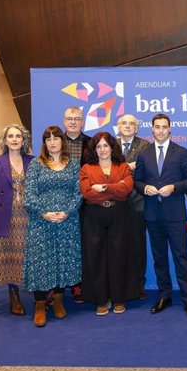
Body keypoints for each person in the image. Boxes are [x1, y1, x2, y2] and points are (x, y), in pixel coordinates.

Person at [134, 113, 187, 319]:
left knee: (181, 257)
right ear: (152, 129)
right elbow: (136, 181)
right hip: (153, 215)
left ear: (170, 129)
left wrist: (174, 187)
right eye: (157, 127)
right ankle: (164, 295)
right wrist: (145, 189)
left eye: (164, 127)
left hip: (175, 215)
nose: (161, 130)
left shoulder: (181, 152)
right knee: (159, 258)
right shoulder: (144, 154)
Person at [23, 126, 82, 327]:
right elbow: (29, 194)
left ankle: (58, 300)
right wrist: (44, 213)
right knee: (41, 261)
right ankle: (40, 305)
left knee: (61, 260)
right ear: (44, 144)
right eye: (48, 139)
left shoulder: (73, 164)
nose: (52, 142)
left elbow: (78, 192)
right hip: (41, 221)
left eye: (55, 138)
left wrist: (67, 212)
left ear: (62, 142)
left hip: (67, 221)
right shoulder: (36, 165)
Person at [80, 132, 140, 315]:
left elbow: (126, 189)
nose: (103, 150)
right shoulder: (86, 168)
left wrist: (102, 187)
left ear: (112, 148)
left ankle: (119, 298)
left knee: (119, 256)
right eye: (99, 146)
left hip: (119, 215)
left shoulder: (122, 166)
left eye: (106, 145)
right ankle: (101, 299)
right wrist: (115, 187)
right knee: (96, 257)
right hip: (94, 216)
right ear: (93, 149)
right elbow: (86, 192)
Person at [0, 124, 34, 316]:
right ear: (5, 140)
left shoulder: (34, 161)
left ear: (24, 140)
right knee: (11, 254)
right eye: (10, 136)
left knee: (27, 253)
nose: (14, 139)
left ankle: (37, 291)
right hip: (4, 215)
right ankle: (14, 295)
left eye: (18, 136)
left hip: (28, 216)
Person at [116, 114, 150, 297]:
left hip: (138, 204)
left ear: (137, 128)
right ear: (118, 126)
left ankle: (138, 285)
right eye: (124, 123)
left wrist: (119, 168)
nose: (127, 126)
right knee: (116, 247)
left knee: (138, 247)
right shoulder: (110, 144)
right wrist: (130, 166)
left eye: (131, 124)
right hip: (114, 205)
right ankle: (118, 285)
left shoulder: (145, 145)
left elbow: (145, 167)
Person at [62, 106, 91, 303]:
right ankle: (55, 287)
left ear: (82, 122)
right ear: (64, 121)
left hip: (86, 203)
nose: (73, 122)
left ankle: (77, 284)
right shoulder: (54, 141)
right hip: (59, 201)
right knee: (60, 244)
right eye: (70, 119)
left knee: (80, 245)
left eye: (77, 119)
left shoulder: (91, 143)